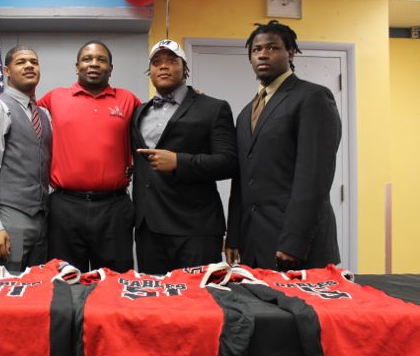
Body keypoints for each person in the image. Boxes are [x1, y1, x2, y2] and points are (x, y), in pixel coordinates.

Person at [225, 20, 342, 271]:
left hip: (296, 246)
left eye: (272, 48)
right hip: (253, 243)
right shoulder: (246, 113)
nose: (263, 54)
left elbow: (314, 176)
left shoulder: (312, 97)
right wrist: (234, 235)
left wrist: (294, 242)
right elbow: (242, 178)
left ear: (290, 52)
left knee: (306, 311)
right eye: (256, 50)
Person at [131, 39, 237, 274]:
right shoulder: (139, 112)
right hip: (149, 228)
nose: (164, 67)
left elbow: (228, 162)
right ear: (151, 72)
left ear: (185, 68)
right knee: (155, 303)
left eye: (172, 61)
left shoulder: (213, 108)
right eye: (157, 63)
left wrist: (180, 162)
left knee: (198, 304)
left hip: (195, 228)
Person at [38, 40, 140, 273]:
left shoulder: (128, 100)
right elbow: (22, 113)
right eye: (87, 59)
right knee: (66, 281)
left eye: (101, 60)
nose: (94, 64)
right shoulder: (54, 98)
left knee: (114, 283)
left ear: (111, 69)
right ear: (77, 66)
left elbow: (156, 124)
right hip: (65, 207)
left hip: (114, 208)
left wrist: (190, 96)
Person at [0, 46, 52, 271]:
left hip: (42, 220)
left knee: (36, 292)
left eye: (34, 62)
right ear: (6, 70)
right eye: (21, 62)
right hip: (8, 218)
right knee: (6, 294)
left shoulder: (44, 115)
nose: (29, 66)